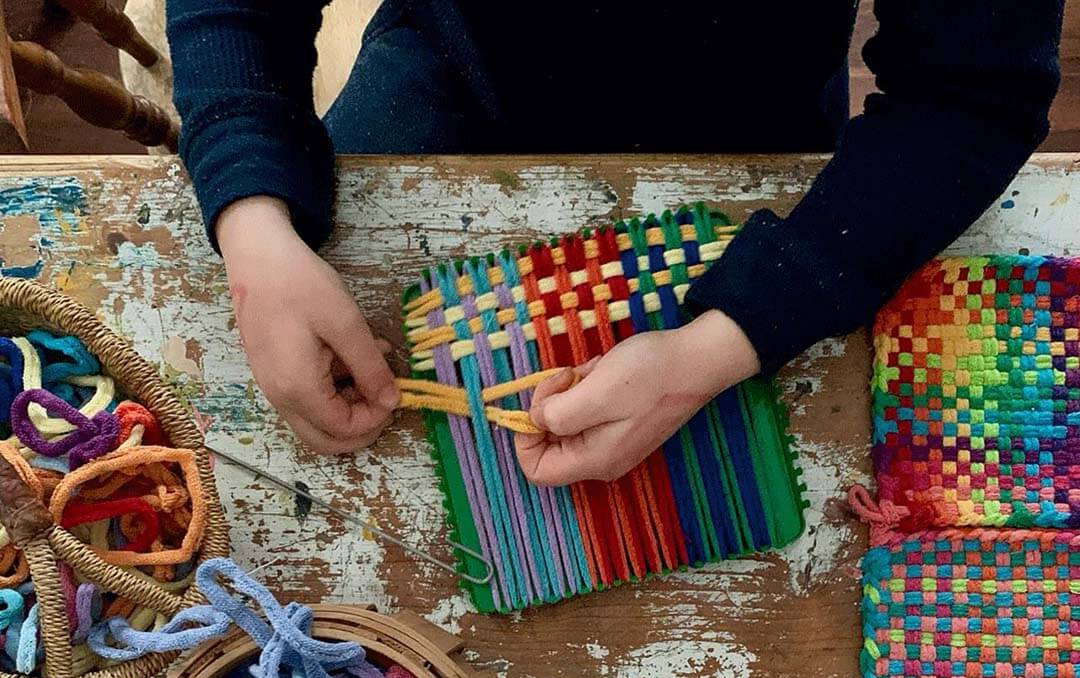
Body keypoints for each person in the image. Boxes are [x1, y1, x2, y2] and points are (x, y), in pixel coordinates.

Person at [167, 0, 1064, 485]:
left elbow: (971, 90)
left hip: (751, 115)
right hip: (451, 71)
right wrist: (252, 221)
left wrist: (730, 339)